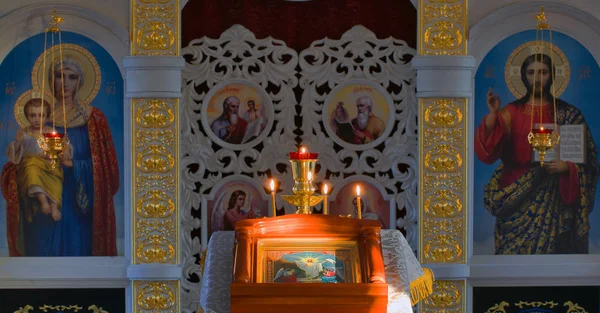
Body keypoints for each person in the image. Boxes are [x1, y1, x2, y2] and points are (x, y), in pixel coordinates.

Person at [474, 53, 599, 254]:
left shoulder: (568, 113)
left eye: (543, 72)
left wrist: (567, 167)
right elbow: (487, 153)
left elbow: (589, 161)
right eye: (532, 73)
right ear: (524, 76)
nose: (538, 78)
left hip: (555, 202)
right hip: (515, 196)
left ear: (552, 76)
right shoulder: (510, 112)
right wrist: (492, 115)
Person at [2, 55, 120, 256]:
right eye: (59, 76)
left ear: (80, 82)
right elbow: (19, 160)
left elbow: (108, 171)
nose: (65, 83)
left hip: (78, 204)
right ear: (51, 80)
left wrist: (74, 164)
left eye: (72, 77)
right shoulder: (40, 115)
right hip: (43, 201)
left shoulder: (94, 118)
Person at [8, 97, 72, 223]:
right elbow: (15, 152)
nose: (37, 119)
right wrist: (18, 141)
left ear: (47, 117)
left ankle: (53, 206)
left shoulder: (51, 131)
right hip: (29, 166)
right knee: (31, 168)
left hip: (48, 165)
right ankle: (43, 202)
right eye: (33, 115)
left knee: (56, 174)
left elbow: (61, 148)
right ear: (26, 116)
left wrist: (64, 150)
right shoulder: (23, 132)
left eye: (41, 115)